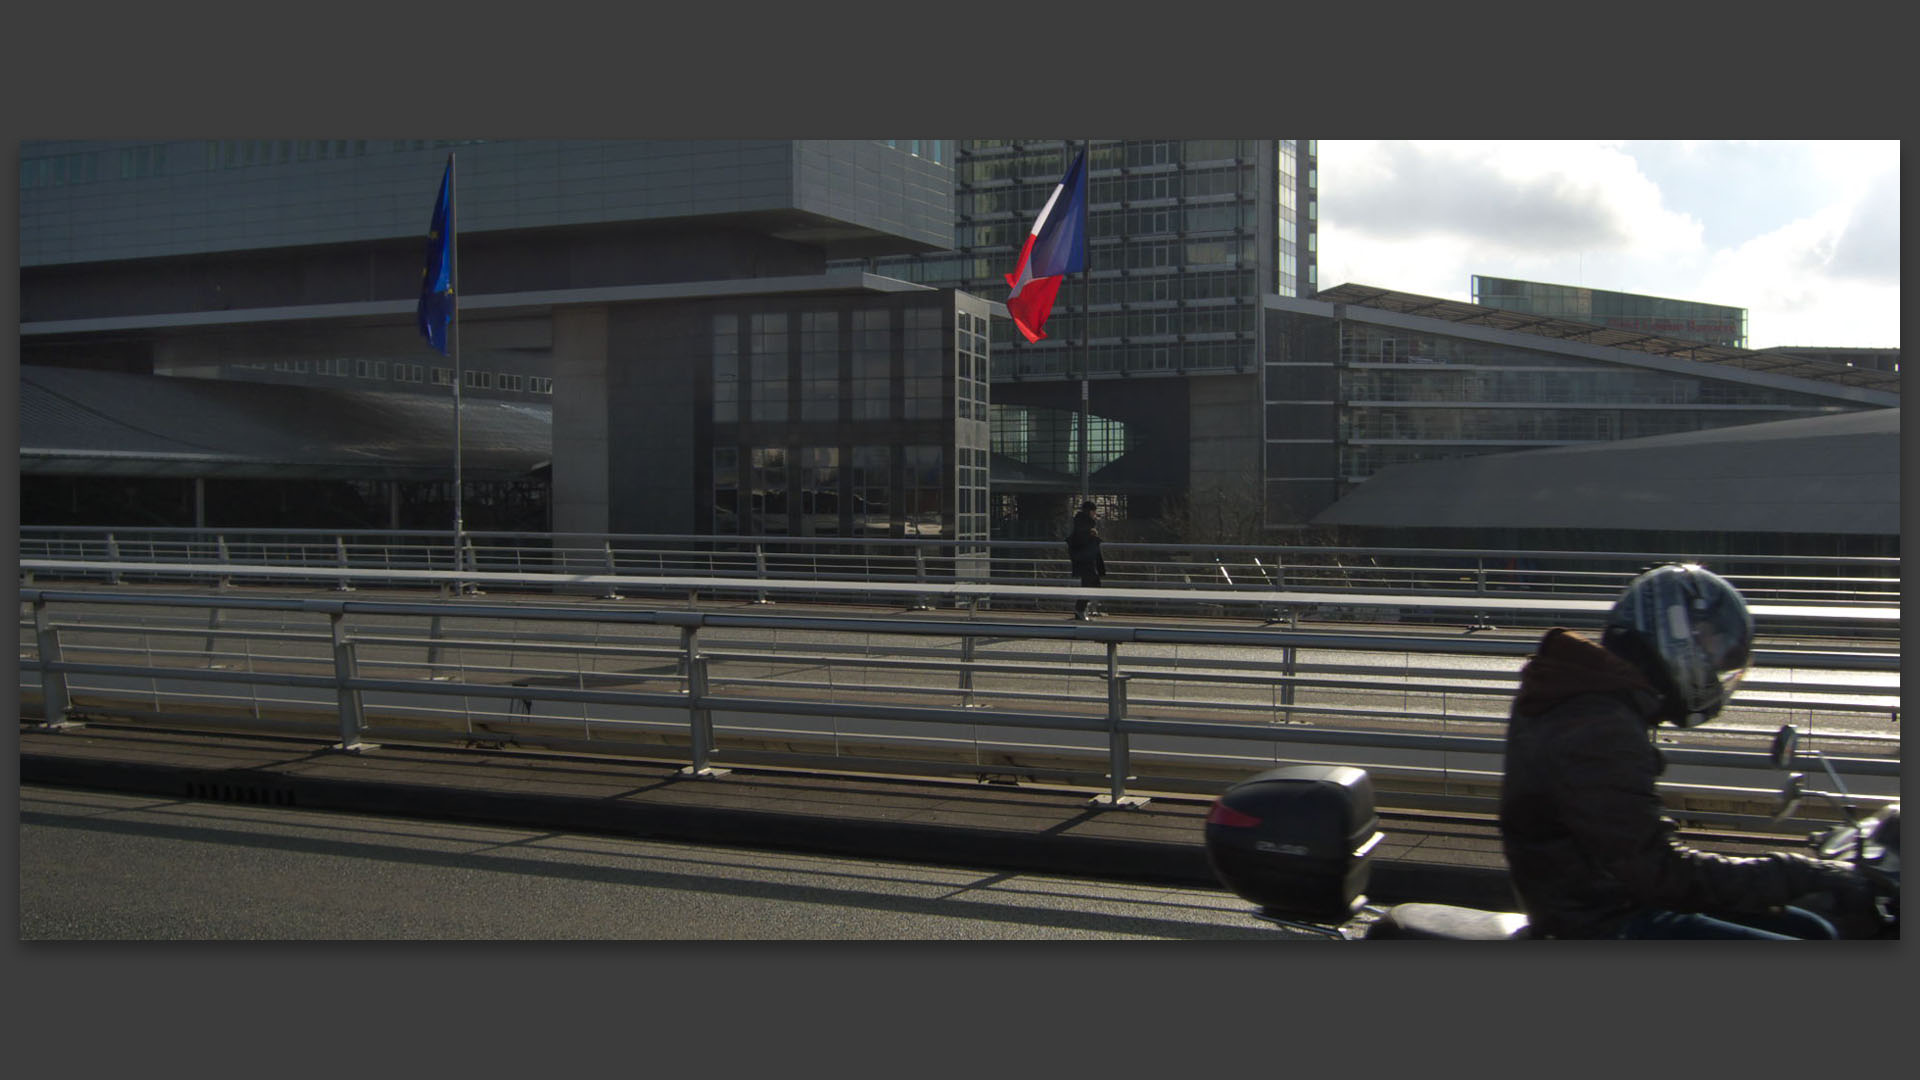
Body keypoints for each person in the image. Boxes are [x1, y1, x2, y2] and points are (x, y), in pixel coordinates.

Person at [1498, 562, 1887, 939]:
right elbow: (1661, 873)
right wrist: (1798, 873)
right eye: (1711, 646)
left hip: (1594, 900)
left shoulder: (1591, 701)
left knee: (1810, 928)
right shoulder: (1597, 724)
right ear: (1675, 632)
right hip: (1599, 921)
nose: (1713, 665)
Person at [1065, 500, 1107, 620]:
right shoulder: (1086, 524)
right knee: (1091, 583)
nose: (1095, 514)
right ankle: (1080, 609)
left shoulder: (1082, 522)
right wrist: (1093, 536)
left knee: (1089, 583)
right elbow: (1084, 540)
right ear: (1090, 511)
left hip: (1085, 560)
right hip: (1086, 560)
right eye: (1094, 511)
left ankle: (1081, 610)